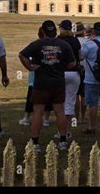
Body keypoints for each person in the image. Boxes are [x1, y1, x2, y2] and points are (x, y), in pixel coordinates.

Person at [19, 20, 76, 152]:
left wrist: (29, 67)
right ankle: (62, 141)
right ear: (55, 32)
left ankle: (35, 143)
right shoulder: (64, 44)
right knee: (60, 111)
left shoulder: (38, 44)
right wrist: (61, 67)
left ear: (43, 31)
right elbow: (73, 63)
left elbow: (22, 54)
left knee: (38, 111)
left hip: (41, 82)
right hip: (58, 82)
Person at [19, 27, 54, 126]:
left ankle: (26, 117)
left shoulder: (36, 44)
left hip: (35, 78)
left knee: (31, 98)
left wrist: (30, 65)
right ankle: (46, 119)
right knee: (48, 98)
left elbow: (24, 55)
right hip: (49, 77)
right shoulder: (53, 46)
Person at [56, 20, 81, 139]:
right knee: (70, 102)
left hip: (60, 73)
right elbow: (80, 56)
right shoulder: (75, 40)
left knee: (59, 103)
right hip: (73, 72)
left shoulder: (58, 40)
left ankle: (60, 131)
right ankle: (68, 131)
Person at [74, 22, 88, 124]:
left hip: (75, 69)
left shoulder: (73, 41)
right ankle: (83, 117)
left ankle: (76, 117)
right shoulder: (88, 42)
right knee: (83, 95)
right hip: (85, 70)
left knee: (75, 95)